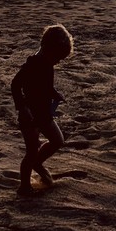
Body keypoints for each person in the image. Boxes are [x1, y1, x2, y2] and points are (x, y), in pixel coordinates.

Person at [11, 24, 73, 196]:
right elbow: (15, 85)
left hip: (44, 113)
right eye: (58, 57)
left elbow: (46, 85)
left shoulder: (48, 62)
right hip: (29, 116)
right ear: (47, 47)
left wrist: (54, 93)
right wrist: (22, 108)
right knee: (30, 151)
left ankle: (38, 163)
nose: (58, 61)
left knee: (57, 140)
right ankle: (24, 186)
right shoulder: (33, 63)